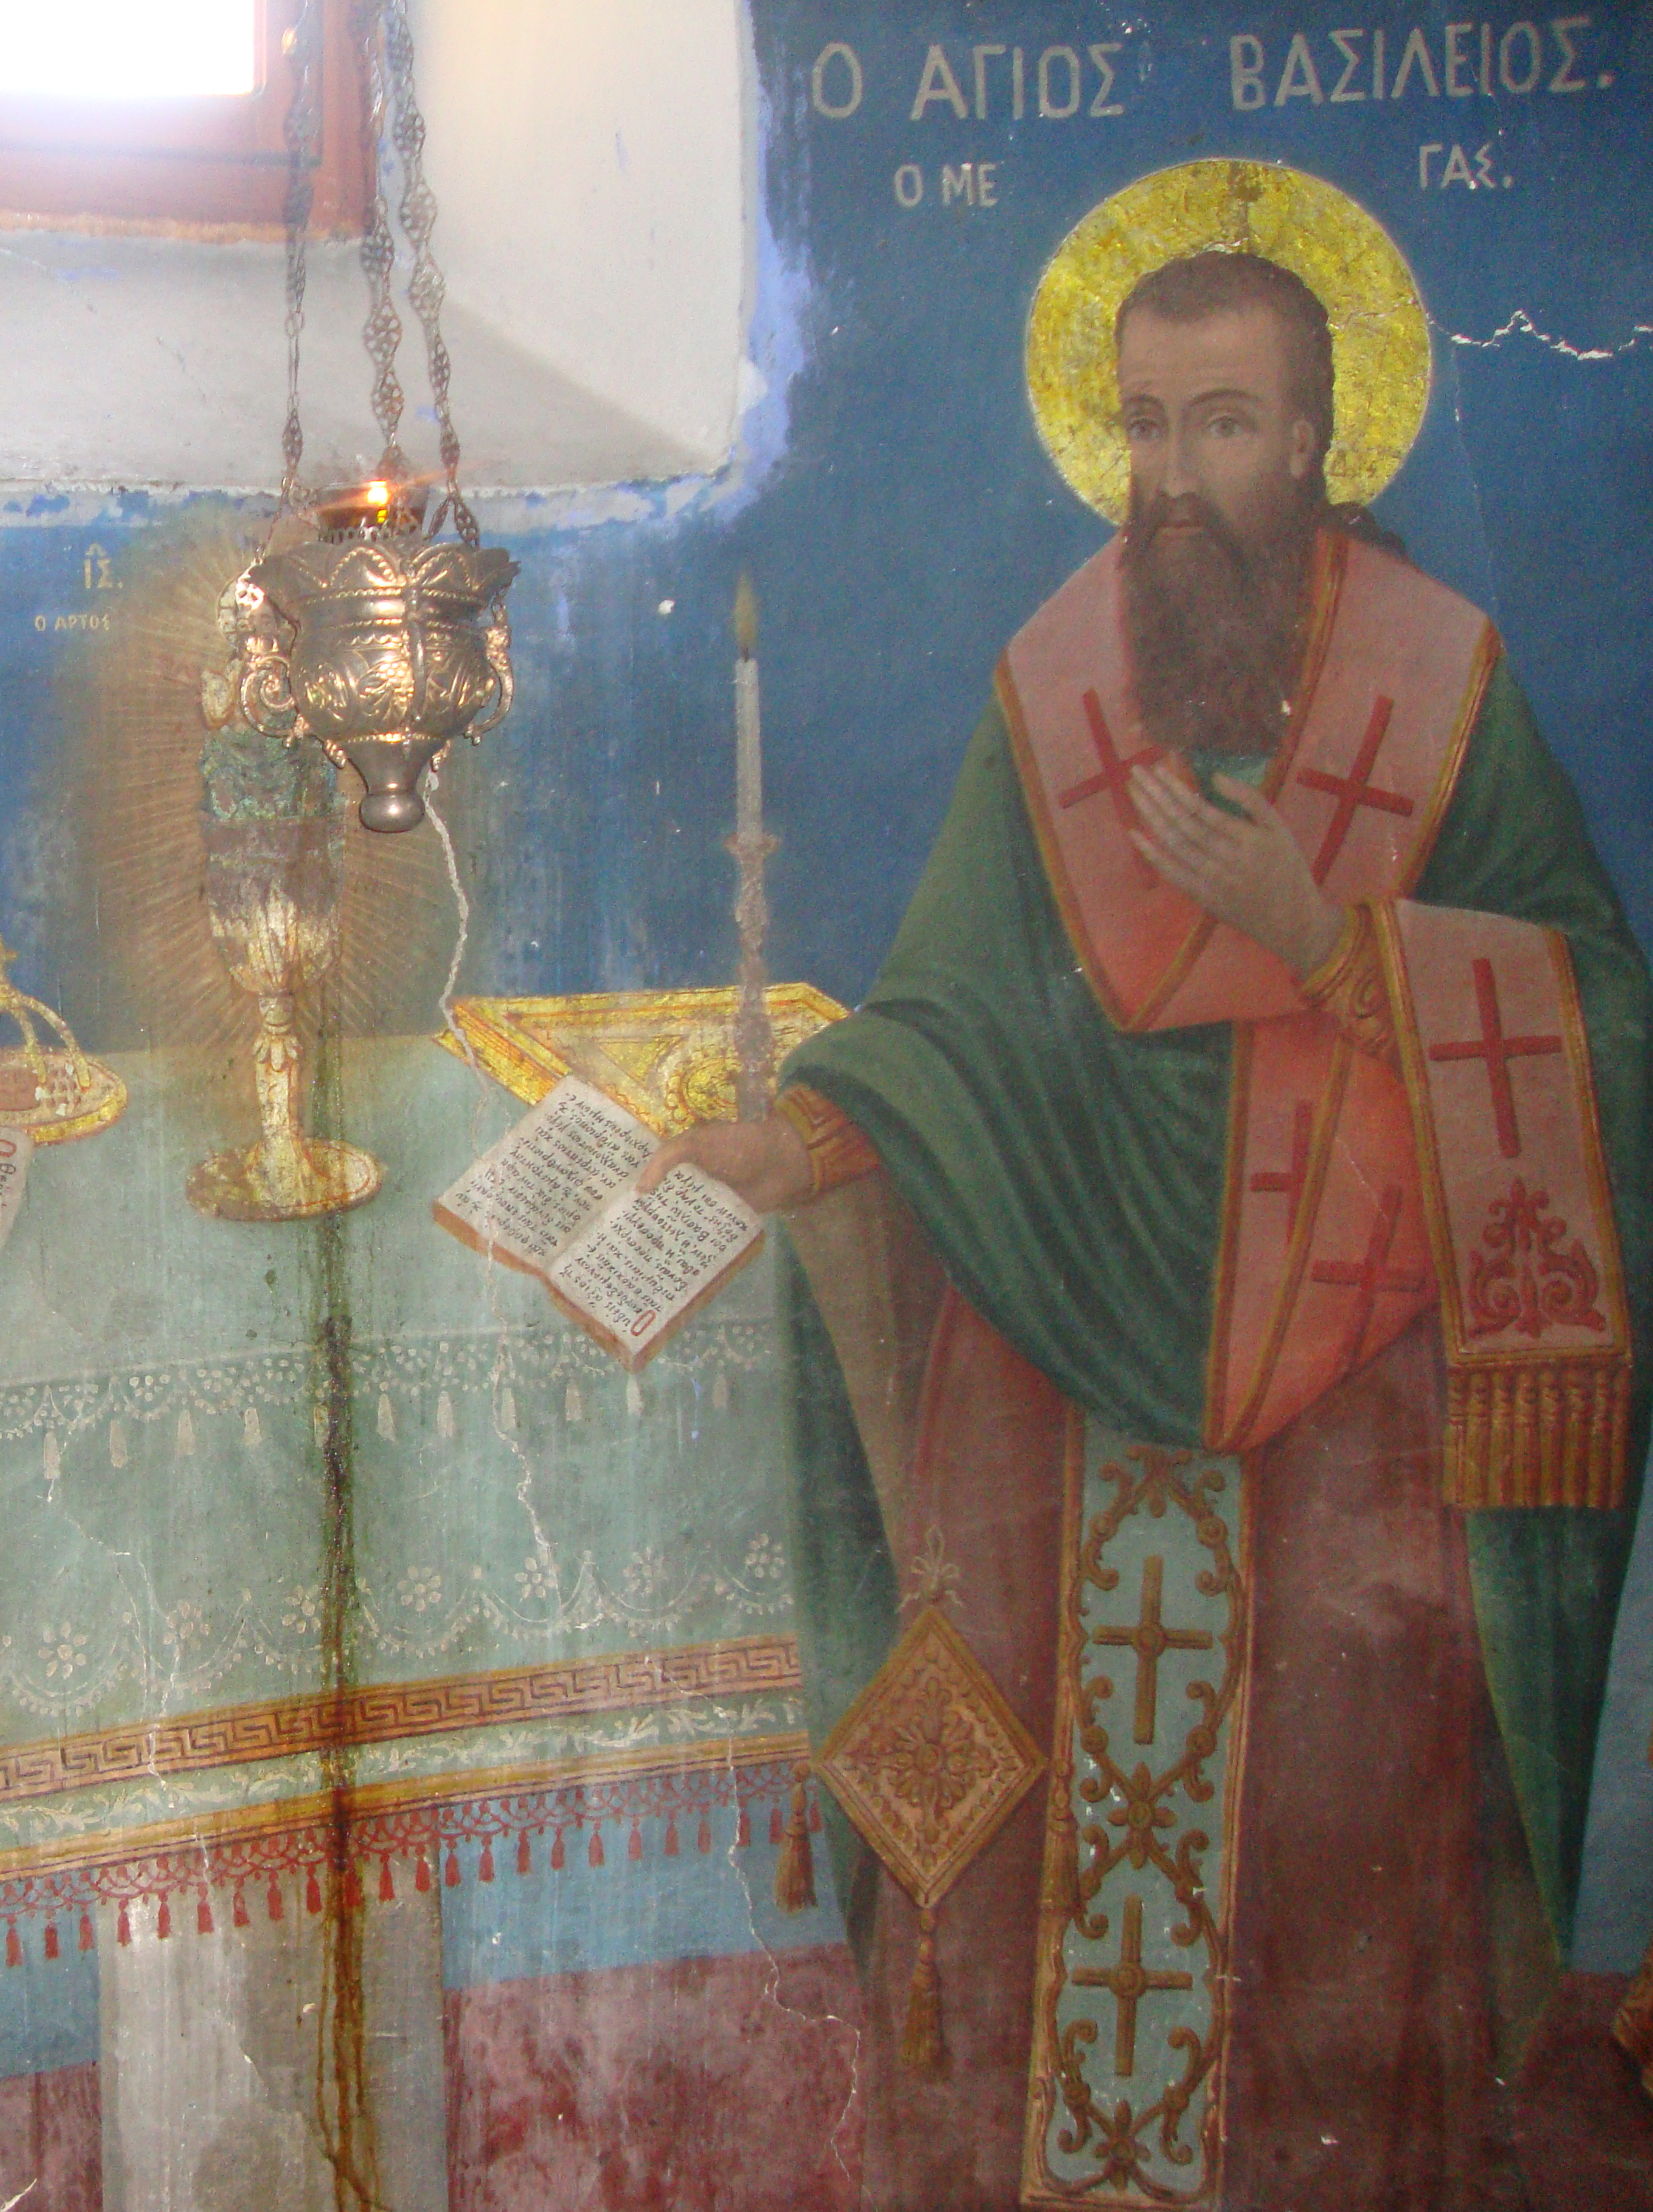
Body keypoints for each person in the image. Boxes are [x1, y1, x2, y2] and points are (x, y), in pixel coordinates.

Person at [654, 241, 1653, 2206]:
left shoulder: (1439, 685)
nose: (1175, 478)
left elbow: (1601, 1020)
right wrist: (821, 1138)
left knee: (1338, 1833)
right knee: (1034, 1822)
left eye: (1224, 425)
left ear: (1316, 438)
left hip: (1353, 1378)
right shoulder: (1059, 689)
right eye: (1145, 426)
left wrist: (1331, 942)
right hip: (1063, 1350)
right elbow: (951, 1013)